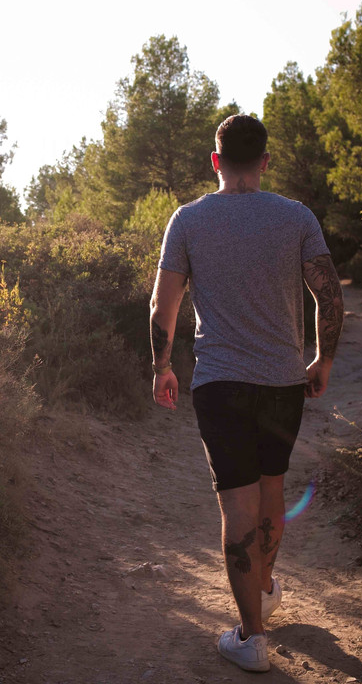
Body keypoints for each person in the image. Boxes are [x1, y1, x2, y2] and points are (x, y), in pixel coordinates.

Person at [148, 114, 344, 673]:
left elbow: (163, 307)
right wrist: (323, 359)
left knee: (238, 501)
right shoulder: (296, 216)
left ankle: (252, 635)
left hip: (220, 383)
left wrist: (161, 366)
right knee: (272, 488)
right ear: (264, 161)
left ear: (215, 160)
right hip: (284, 381)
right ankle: (263, 586)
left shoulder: (187, 220)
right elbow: (330, 298)